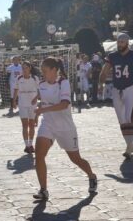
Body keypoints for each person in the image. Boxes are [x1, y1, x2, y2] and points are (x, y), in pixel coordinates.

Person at [33, 57, 97, 200]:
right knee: (39, 156)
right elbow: (43, 104)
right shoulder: (42, 84)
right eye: (42, 71)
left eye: (45, 71)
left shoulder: (64, 82)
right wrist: (38, 112)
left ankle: (91, 176)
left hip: (65, 127)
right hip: (48, 124)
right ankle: (43, 190)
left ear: (54, 70)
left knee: (76, 159)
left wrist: (41, 111)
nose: (43, 74)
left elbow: (64, 104)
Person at [98, 33, 133, 159]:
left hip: (129, 88)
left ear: (127, 43)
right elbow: (104, 70)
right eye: (118, 42)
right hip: (116, 89)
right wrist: (100, 84)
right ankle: (129, 144)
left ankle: (129, 145)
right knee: (121, 119)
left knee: (128, 117)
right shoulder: (112, 56)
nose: (119, 44)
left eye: (122, 42)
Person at [12, 61, 39, 153]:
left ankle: (31, 144)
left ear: (29, 68)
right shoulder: (19, 78)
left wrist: (36, 98)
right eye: (22, 68)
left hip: (32, 104)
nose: (24, 70)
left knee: (32, 124)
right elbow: (15, 90)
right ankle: (26, 145)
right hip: (22, 103)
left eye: (25, 68)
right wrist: (14, 101)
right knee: (24, 125)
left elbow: (39, 91)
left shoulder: (35, 78)